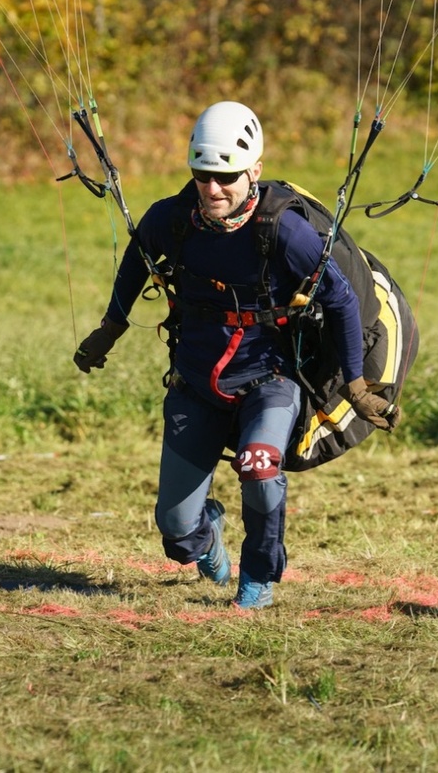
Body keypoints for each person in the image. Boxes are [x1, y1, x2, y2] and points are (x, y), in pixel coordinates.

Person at [72, 101, 395, 609]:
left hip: (270, 380)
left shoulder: (284, 231)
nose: (212, 189)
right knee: (176, 531)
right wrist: (110, 328)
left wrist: (355, 385)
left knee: (259, 468)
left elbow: (341, 300)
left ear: (254, 172)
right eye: (202, 175)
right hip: (196, 382)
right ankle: (205, 535)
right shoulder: (171, 219)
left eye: (225, 177)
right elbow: (136, 260)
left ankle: (258, 577)